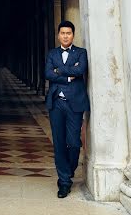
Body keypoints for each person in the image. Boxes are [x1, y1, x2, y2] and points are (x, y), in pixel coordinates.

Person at [45, 21, 89, 198]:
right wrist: (69, 75)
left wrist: (59, 71)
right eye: (62, 33)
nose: (65, 36)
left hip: (75, 103)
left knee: (73, 141)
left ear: (73, 35)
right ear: (58, 35)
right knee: (59, 142)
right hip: (56, 103)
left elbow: (82, 70)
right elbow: (48, 73)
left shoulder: (81, 53)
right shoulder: (52, 53)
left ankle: (69, 169)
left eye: (68, 33)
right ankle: (64, 181)